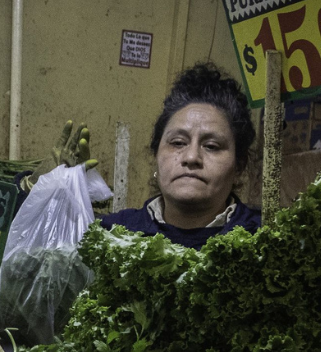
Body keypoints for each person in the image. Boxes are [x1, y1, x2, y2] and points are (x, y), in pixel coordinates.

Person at [23, 63, 259, 250]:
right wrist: (40, 189)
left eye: (211, 146)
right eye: (177, 143)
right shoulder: (114, 235)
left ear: (239, 165)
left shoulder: (262, 240)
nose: (191, 157)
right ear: (156, 154)